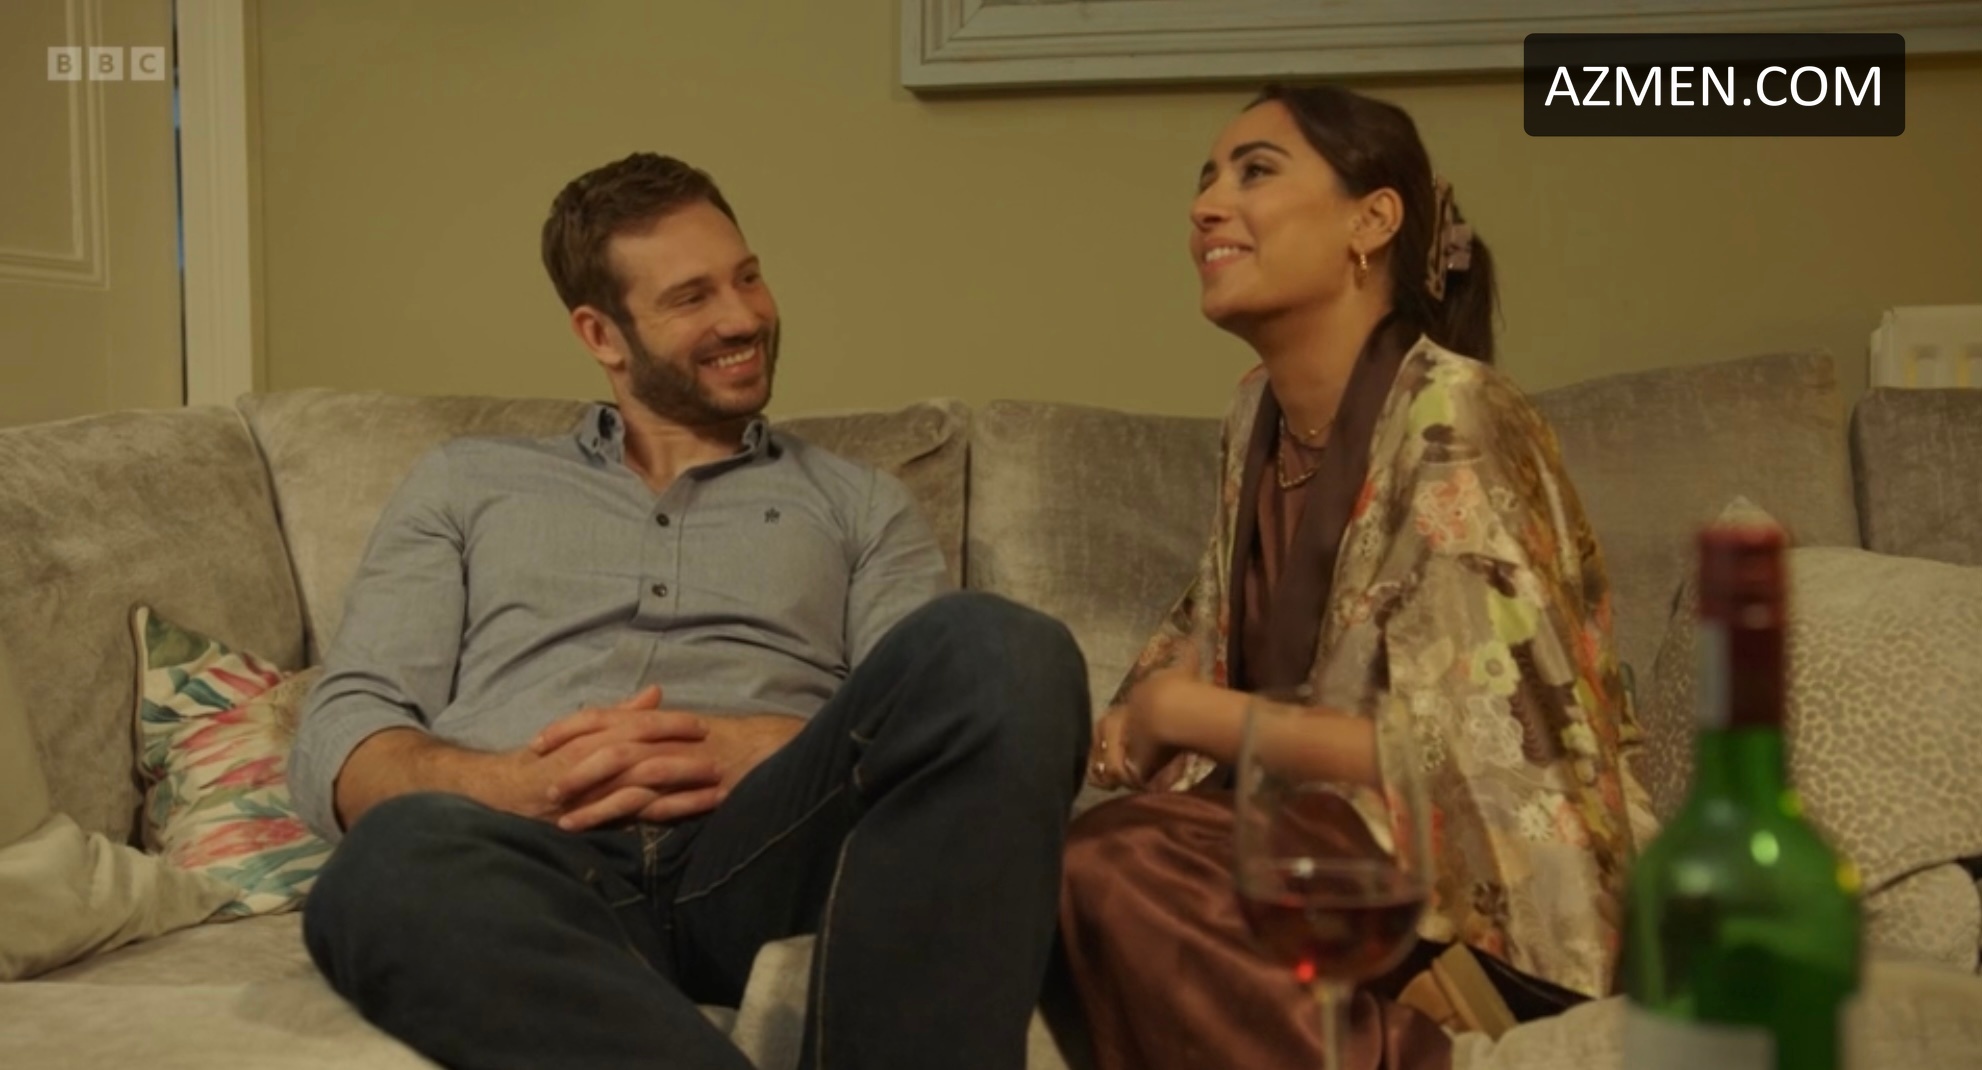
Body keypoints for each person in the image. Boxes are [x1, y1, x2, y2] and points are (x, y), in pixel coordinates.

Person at [289, 152, 1093, 1070]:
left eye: (747, 277)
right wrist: (510, 784)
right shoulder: (465, 483)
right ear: (602, 334)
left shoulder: (860, 503)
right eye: (692, 297)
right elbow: (344, 728)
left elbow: (924, 729)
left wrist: (765, 744)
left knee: (1004, 648)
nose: (743, 317)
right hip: (534, 859)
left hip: (766, 850)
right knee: (387, 861)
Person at [1059, 84, 1655, 1070]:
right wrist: (1152, 702)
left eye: (1254, 171)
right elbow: (1221, 631)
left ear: (1370, 221)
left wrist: (1185, 712)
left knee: (1115, 867)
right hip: (1309, 838)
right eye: (1205, 180)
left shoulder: (1456, 415)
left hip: (1471, 890)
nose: (1205, 206)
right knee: (1063, 879)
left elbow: (1466, 756)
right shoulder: (1252, 414)